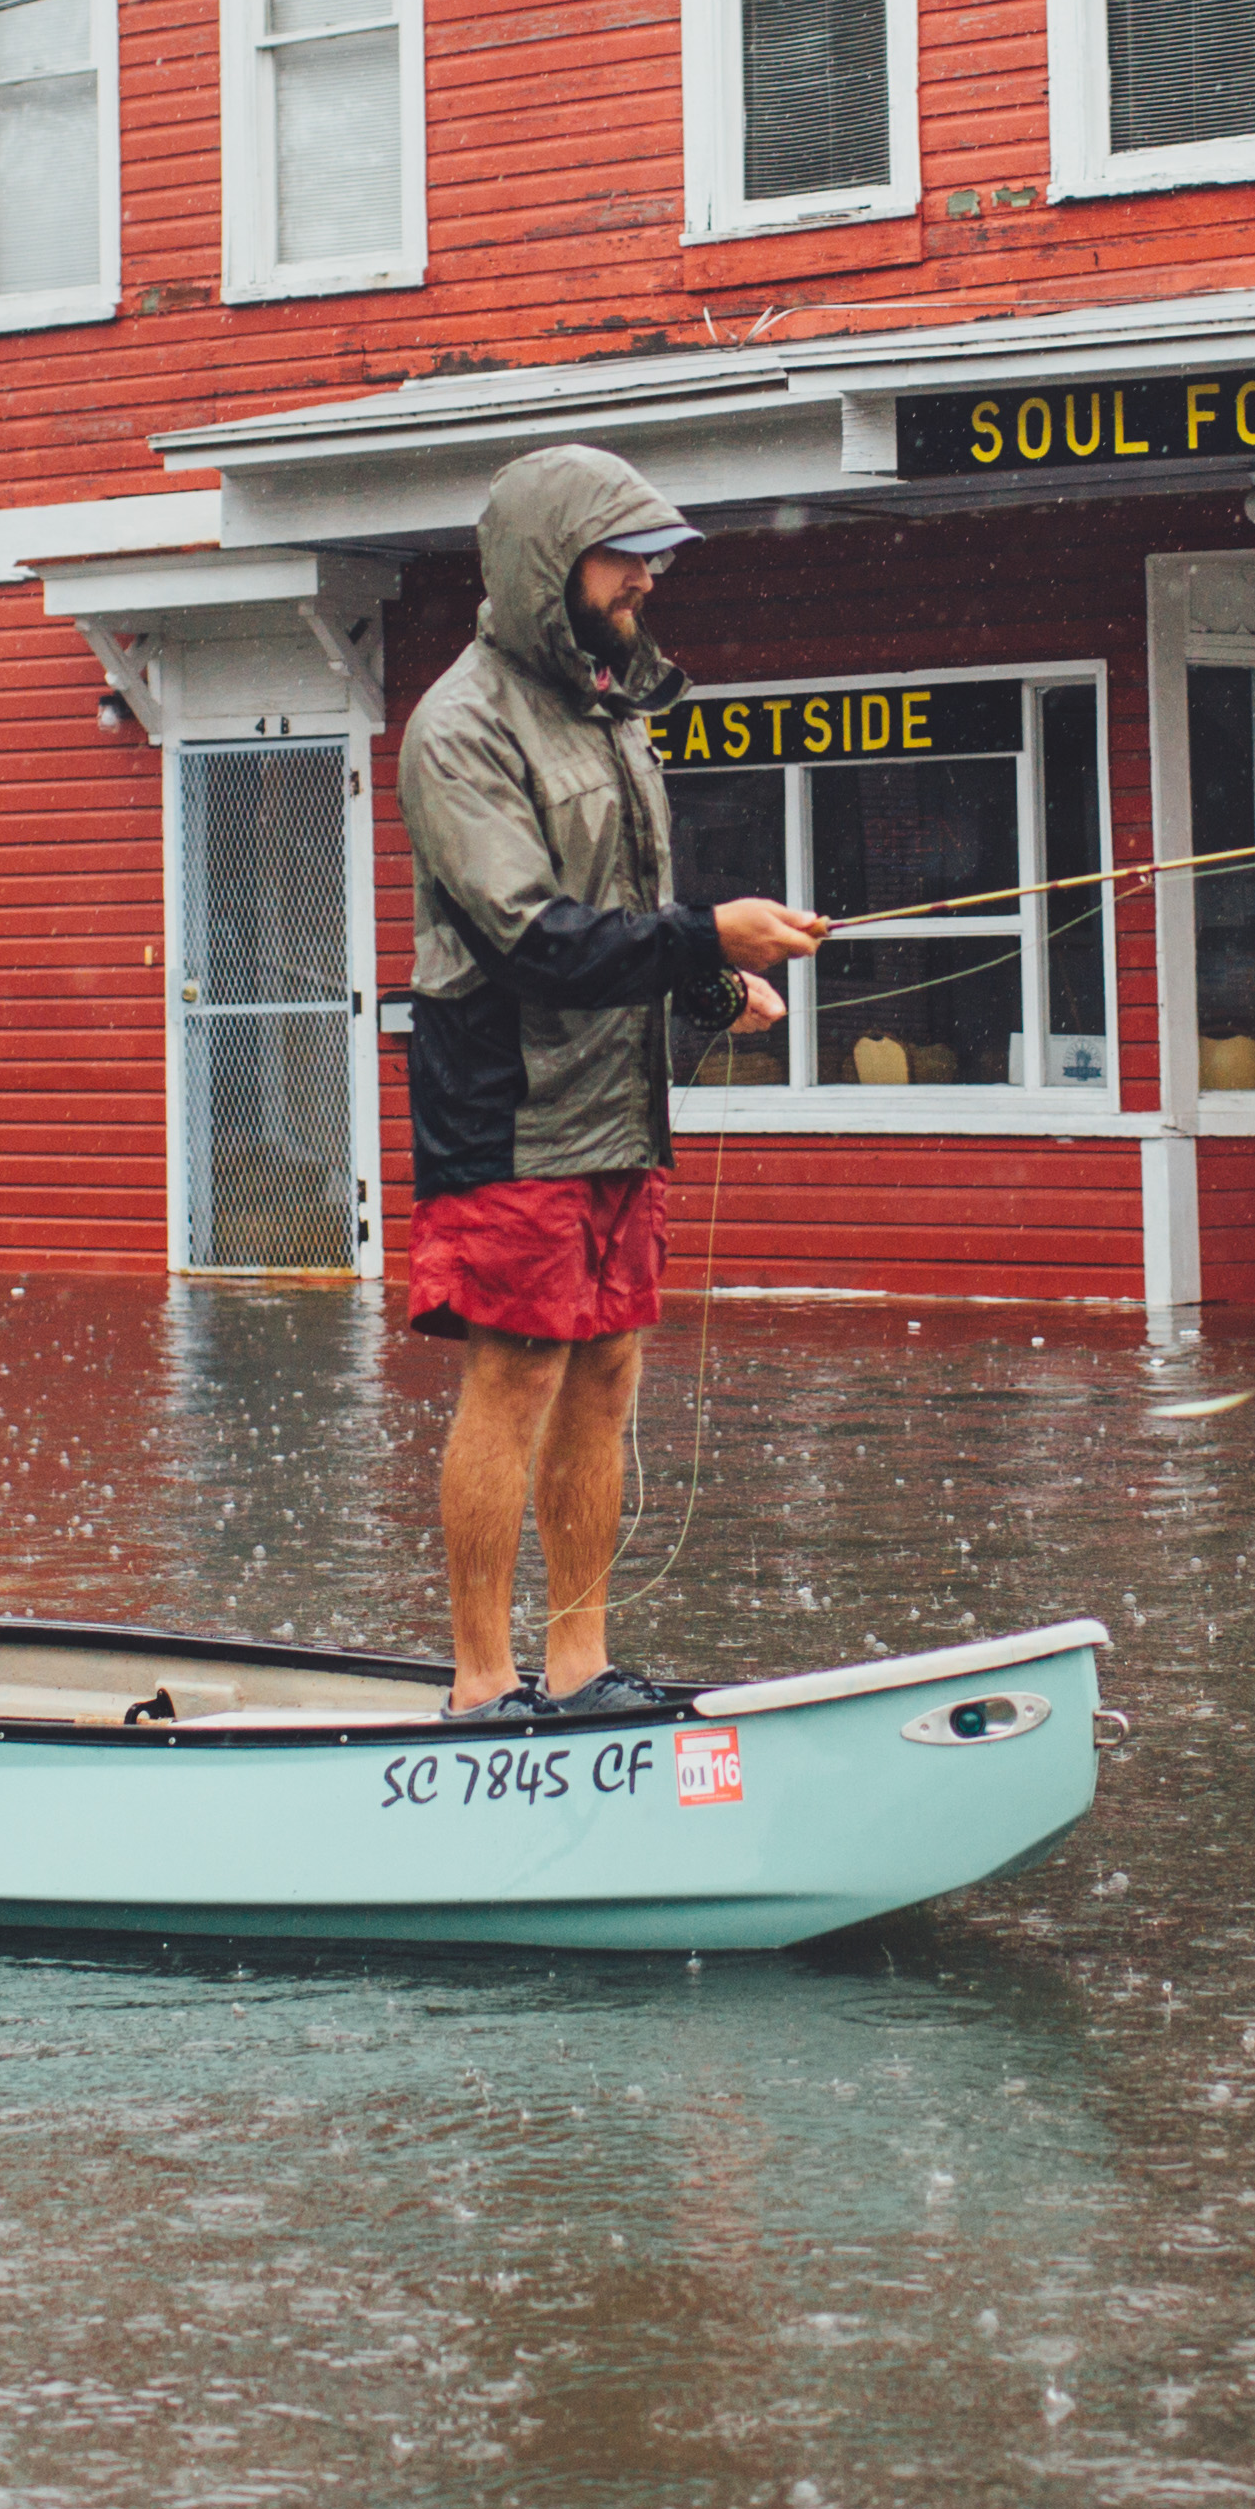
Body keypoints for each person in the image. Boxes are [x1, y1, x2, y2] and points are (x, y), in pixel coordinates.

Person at [398, 443, 826, 1721]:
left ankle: (579, 1667)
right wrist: (705, 940)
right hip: (506, 1100)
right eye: (622, 556)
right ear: (548, 566)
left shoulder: (612, 711)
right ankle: (483, 1683)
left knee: (607, 1375)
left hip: (617, 1104)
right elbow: (531, 938)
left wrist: (711, 987)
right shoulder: (458, 727)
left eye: (653, 558)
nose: (646, 579)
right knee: (517, 1374)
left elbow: (625, 914)